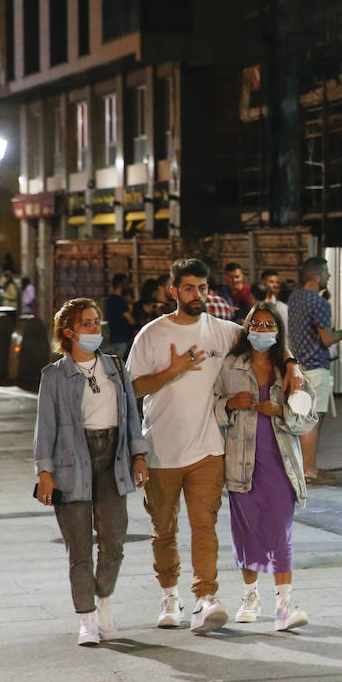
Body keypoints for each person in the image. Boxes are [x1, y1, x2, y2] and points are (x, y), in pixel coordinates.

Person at [128, 258, 302, 634]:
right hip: (160, 448)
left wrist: (291, 364)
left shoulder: (221, 331)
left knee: (204, 527)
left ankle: (206, 598)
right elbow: (132, 389)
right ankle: (170, 596)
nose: (197, 295)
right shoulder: (151, 334)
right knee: (164, 530)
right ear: (173, 291)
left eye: (203, 287)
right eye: (189, 288)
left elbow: (267, 335)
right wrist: (171, 373)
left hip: (207, 449)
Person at [34, 299, 150, 645]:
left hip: (113, 459)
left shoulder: (115, 367)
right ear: (68, 332)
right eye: (86, 323)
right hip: (73, 460)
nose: (94, 328)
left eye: (96, 321)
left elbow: (131, 415)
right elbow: (46, 427)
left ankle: (103, 602)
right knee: (79, 548)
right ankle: (86, 618)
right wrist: (44, 472)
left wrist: (139, 455)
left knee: (114, 542)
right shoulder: (54, 376)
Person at [216, 303, 318, 630]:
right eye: (256, 324)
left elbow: (307, 418)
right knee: (246, 532)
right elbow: (211, 407)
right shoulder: (231, 366)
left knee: (280, 534)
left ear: (278, 331)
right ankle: (250, 595)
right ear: (246, 329)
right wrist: (230, 404)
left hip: (280, 464)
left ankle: (284, 603)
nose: (261, 331)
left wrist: (281, 411)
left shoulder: (288, 372)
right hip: (241, 465)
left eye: (268, 325)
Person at [287, 257, 342, 484]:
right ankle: (309, 470)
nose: (329, 276)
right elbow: (327, 338)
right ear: (316, 277)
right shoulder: (318, 303)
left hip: (299, 367)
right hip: (316, 368)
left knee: (301, 420)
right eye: (327, 272)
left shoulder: (295, 298)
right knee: (313, 421)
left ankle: (302, 467)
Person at [104, 273, 135, 360]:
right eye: (126, 283)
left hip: (115, 338)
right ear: (121, 284)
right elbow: (131, 320)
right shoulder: (120, 301)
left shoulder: (110, 300)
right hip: (123, 339)